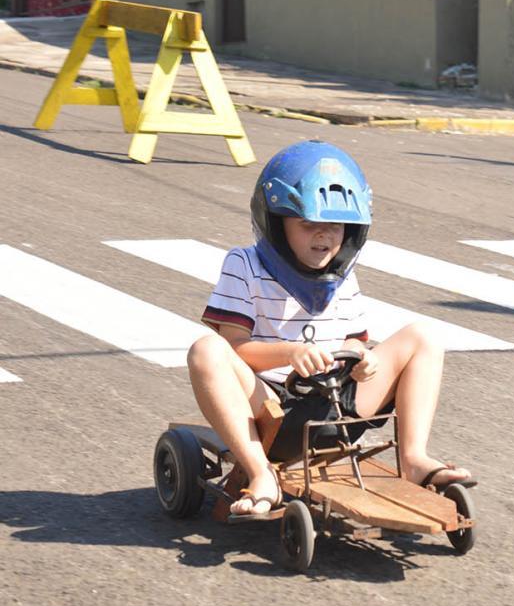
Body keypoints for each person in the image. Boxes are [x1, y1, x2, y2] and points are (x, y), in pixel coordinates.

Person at [187, 140, 472, 518]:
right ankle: (261, 474)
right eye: (308, 224)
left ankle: (413, 458)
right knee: (205, 349)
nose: (324, 236)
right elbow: (235, 348)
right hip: (273, 410)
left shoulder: (342, 274)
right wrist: (290, 353)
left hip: (338, 407)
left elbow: (355, 343)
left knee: (424, 337)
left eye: (335, 226)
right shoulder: (244, 264)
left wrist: (363, 361)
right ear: (276, 222)